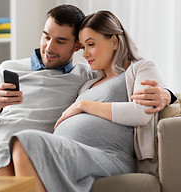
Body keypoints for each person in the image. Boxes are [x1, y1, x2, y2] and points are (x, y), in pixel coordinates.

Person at [0, 5, 173, 175]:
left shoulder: (85, 76)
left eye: (61, 41)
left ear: (77, 46)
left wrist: (166, 95)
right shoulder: (7, 67)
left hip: (19, 155)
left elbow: (125, 79)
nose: (49, 47)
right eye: (46, 36)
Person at [10, 10, 168, 192]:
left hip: (108, 156)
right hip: (73, 152)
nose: (85, 54)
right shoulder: (89, 82)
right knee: (8, 153)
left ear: (114, 41)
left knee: (25, 140)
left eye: (91, 44)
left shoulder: (140, 68)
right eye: (83, 47)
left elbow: (141, 113)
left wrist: (83, 105)